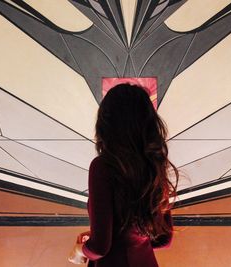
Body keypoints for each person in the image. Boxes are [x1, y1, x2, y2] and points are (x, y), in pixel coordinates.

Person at [68, 83, 179, 266]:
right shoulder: (154, 165)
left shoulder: (103, 167)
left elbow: (99, 248)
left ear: (106, 123)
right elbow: (164, 239)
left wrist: (79, 250)